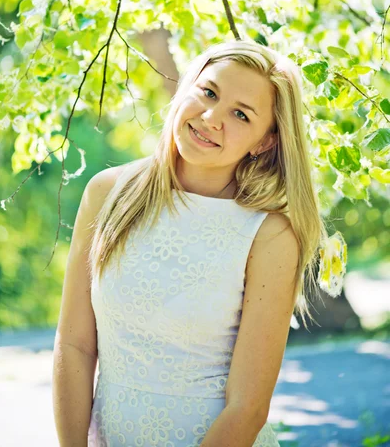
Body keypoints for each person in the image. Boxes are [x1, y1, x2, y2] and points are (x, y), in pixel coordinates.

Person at [52, 39, 326, 447]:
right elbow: (74, 344)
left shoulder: (269, 236)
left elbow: (247, 408)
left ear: (264, 142)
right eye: (209, 92)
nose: (211, 117)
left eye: (240, 114)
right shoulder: (105, 193)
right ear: (186, 87)